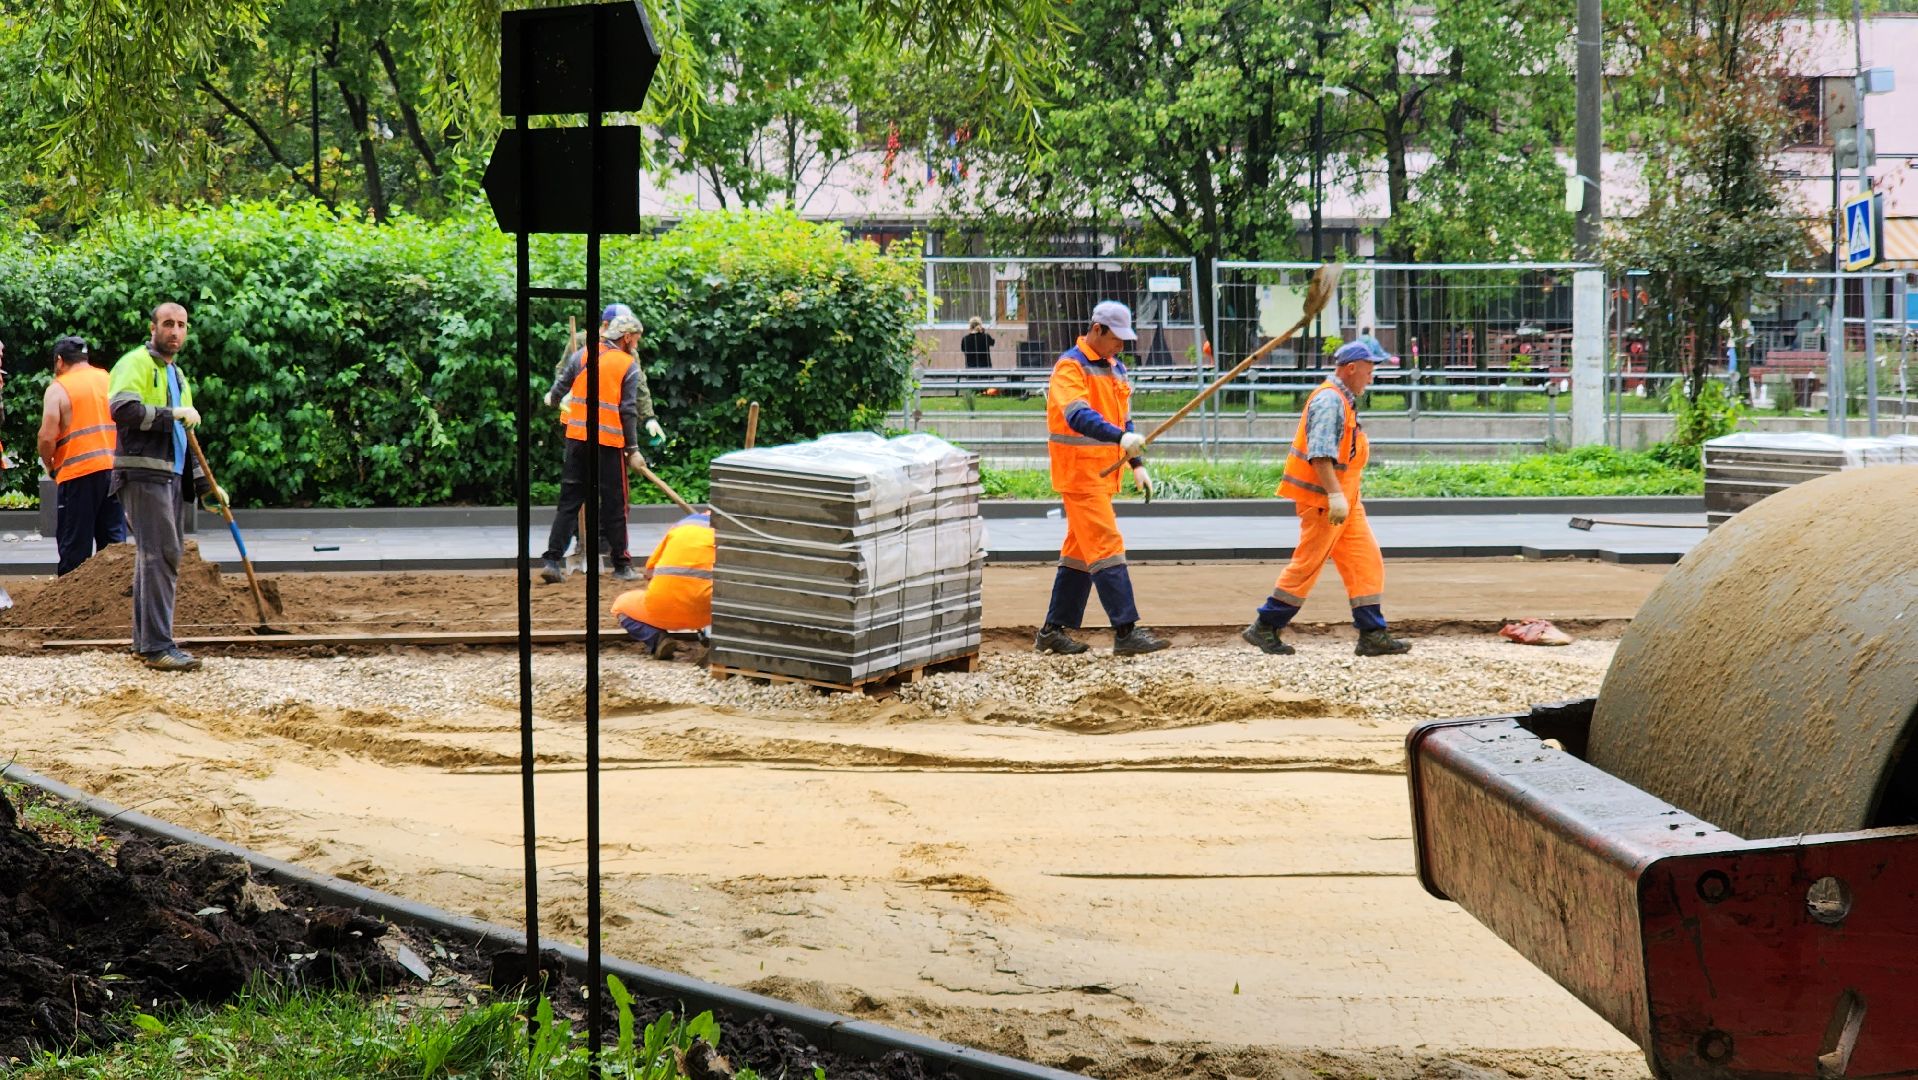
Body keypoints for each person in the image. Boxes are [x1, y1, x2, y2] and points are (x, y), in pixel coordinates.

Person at [1243, 340, 1411, 658]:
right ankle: (1265, 626)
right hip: (1325, 502)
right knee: (1308, 564)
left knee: (1366, 560)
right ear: (1351, 368)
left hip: (1345, 501)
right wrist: (1335, 496)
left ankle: (1372, 633)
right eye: (1370, 368)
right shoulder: (1329, 401)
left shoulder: (1342, 400)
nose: (1372, 376)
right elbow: (1319, 455)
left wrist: (1342, 497)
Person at [1034, 301, 1169, 657]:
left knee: (1079, 554)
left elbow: (1125, 421)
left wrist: (1136, 462)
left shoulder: (1116, 368)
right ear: (1097, 330)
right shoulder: (1070, 368)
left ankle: (1051, 632)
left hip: (1103, 475)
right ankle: (1126, 631)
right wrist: (1120, 440)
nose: (1122, 345)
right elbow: (1078, 415)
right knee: (1107, 546)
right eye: (1117, 338)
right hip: (1079, 474)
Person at [109, 303, 224, 672]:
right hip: (143, 473)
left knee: (156, 556)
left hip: (169, 475)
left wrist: (207, 487)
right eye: (169, 324)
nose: (175, 331)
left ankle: (147, 644)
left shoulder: (178, 375)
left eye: (182, 326)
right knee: (161, 554)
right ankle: (158, 646)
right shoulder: (136, 363)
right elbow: (123, 410)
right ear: (153, 327)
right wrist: (171, 414)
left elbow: (186, 438)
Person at [540, 312, 654, 583]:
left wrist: (554, 400)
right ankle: (622, 565)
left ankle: (552, 561)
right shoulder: (627, 364)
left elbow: (560, 387)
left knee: (569, 501)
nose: (636, 345)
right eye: (636, 340)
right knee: (616, 503)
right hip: (608, 444)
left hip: (577, 439)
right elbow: (627, 410)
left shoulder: (582, 355)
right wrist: (633, 449)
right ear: (626, 338)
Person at [37, 336, 127, 575]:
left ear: (59, 361)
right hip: (114, 472)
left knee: (74, 547)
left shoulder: (59, 388)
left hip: (78, 475)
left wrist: (51, 466)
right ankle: (117, 603)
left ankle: (71, 606)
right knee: (115, 546)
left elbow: (46, 437)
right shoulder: (109, 380)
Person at [612, 509, 715, 659]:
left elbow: (649, 572)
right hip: (710, 613)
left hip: (662, 609)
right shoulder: (737, 534)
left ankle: (657, 639)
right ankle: (712, 634)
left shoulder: (682, 526)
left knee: (620, 605)